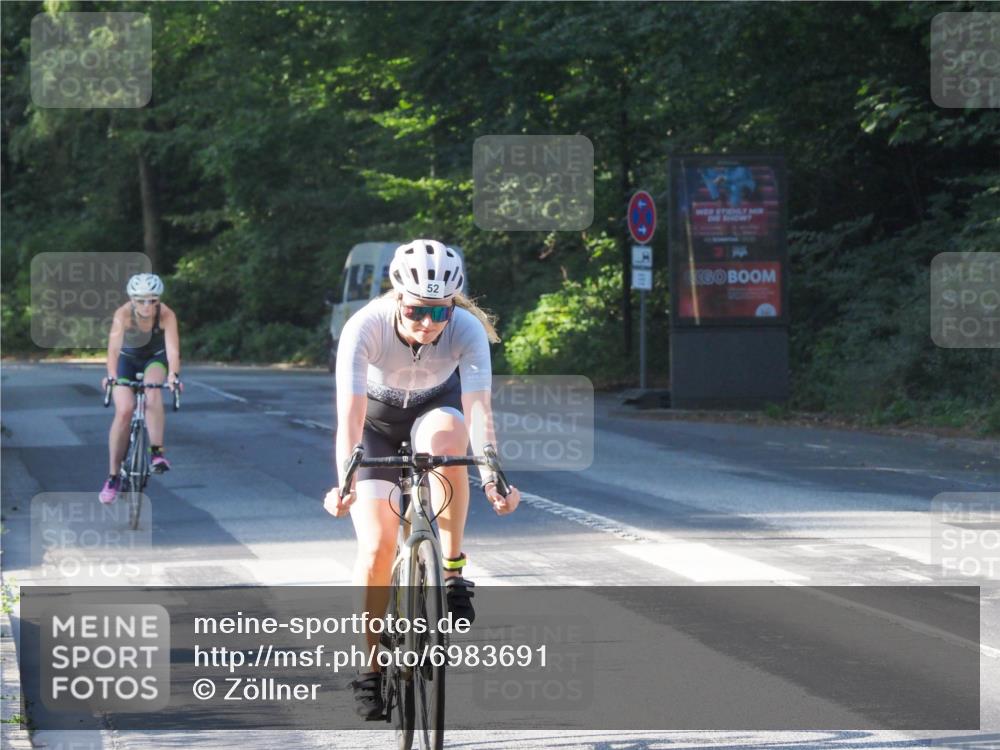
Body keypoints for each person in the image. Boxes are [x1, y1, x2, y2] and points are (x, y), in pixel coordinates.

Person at [323, 239, 521, 719]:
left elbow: (479, 412)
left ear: (452, 306)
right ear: (397, 297)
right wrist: (345, 480)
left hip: (435, 413)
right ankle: (370, 669)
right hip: (374, 427)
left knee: (450, 434)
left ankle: (451, 570)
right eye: (416, 311)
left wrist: (493, 474)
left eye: (439, 313)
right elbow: (348, 418)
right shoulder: (364, 326)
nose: (428, 324)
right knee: (376, 549)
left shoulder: (467, 329)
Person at [99, 273, 182, 504]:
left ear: (158, 300)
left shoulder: (166, 315)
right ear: (132, 300)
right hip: (127, 359)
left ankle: (156, 453)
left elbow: (173, 351)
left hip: (154, 359)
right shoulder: (123, 313)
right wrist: (112, 375)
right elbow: (113, 350)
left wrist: (174, 375)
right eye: (141, 300)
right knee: (125, 409)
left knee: (152, 390)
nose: (147, 305)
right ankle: (113, 477)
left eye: (152, 300)